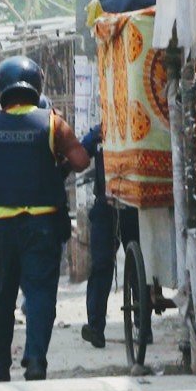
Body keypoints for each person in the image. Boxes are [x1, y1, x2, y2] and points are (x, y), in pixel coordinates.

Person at [0, 56, 90, 382]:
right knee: (40, 293)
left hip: (0, 224)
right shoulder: (53, 122)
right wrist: (56, 165)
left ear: (2, 89)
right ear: (36, 86)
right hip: (42, 222)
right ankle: (36, 360)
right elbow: (81, 161)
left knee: (2, 294)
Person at [80, 123, 141, 348]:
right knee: (101, 265)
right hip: (105, 208)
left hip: (133, 206)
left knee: (138, 266)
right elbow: (80, 155)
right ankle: (95, 327)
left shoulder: (137, 126)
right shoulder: (99, 132)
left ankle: (143, 323)